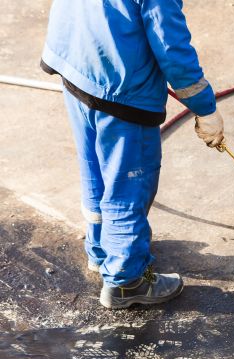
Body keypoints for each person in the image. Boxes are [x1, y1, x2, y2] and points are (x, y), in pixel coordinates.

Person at [41, 0, 224, 309]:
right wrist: (205, 108)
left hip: (76, 67)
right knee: (129, 186)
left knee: (95, 168)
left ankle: (100, 251)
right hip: (122, 91)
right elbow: (172, 49)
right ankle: (126, 281)